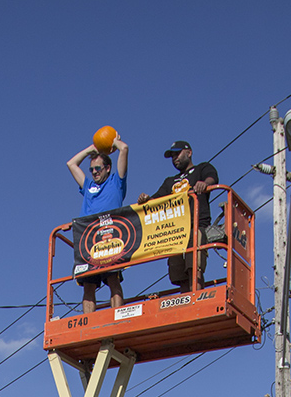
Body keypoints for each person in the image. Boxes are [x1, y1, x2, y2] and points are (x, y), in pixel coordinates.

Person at [138, 141, 218, 292]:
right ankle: (185, 298)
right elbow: (156, 200)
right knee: (177, 271)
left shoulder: (201, 168)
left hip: (196, 224)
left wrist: (204, 183)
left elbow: (212, 177)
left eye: (177, 153)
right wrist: (145, 199)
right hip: (175, 231)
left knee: (194, 265)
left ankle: (197, 297)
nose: (175, 158)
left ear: (189, 152)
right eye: (172, 155)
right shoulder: (169, 181)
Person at [67, 134, 129, 313]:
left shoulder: (116, 182)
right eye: (92, 169)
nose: (94, 172)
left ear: (108, 168)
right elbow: (71, 164)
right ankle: (89, 323)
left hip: (111, 235)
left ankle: (117, 317)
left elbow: (124, 149)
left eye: (98, 168)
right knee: (88, 284)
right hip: (89, 239)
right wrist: (90, 150)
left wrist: (113, 142)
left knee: (112, 280)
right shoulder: (88, 186)